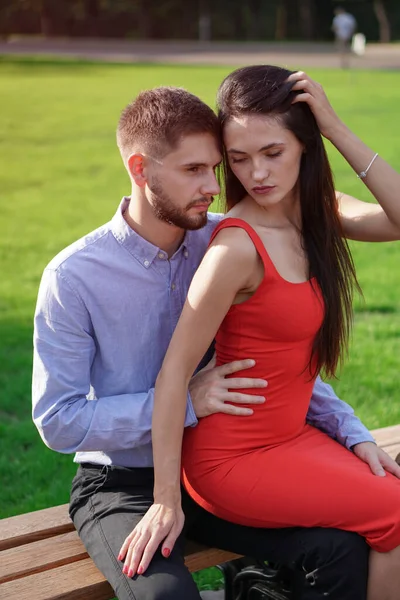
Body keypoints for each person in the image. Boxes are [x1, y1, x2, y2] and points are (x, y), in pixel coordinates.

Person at [32, 83, 396, 600]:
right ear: (140, 169)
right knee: (166, 598)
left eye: (215, 167)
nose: (214, 186)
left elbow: (269, 362)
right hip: (124, 481)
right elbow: (57, 420)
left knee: (340, 550)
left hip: (213, 466)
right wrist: (186, 402)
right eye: (193, 170)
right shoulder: (74, 277)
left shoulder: (224, 237)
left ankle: (255, 587)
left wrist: (349, 429)